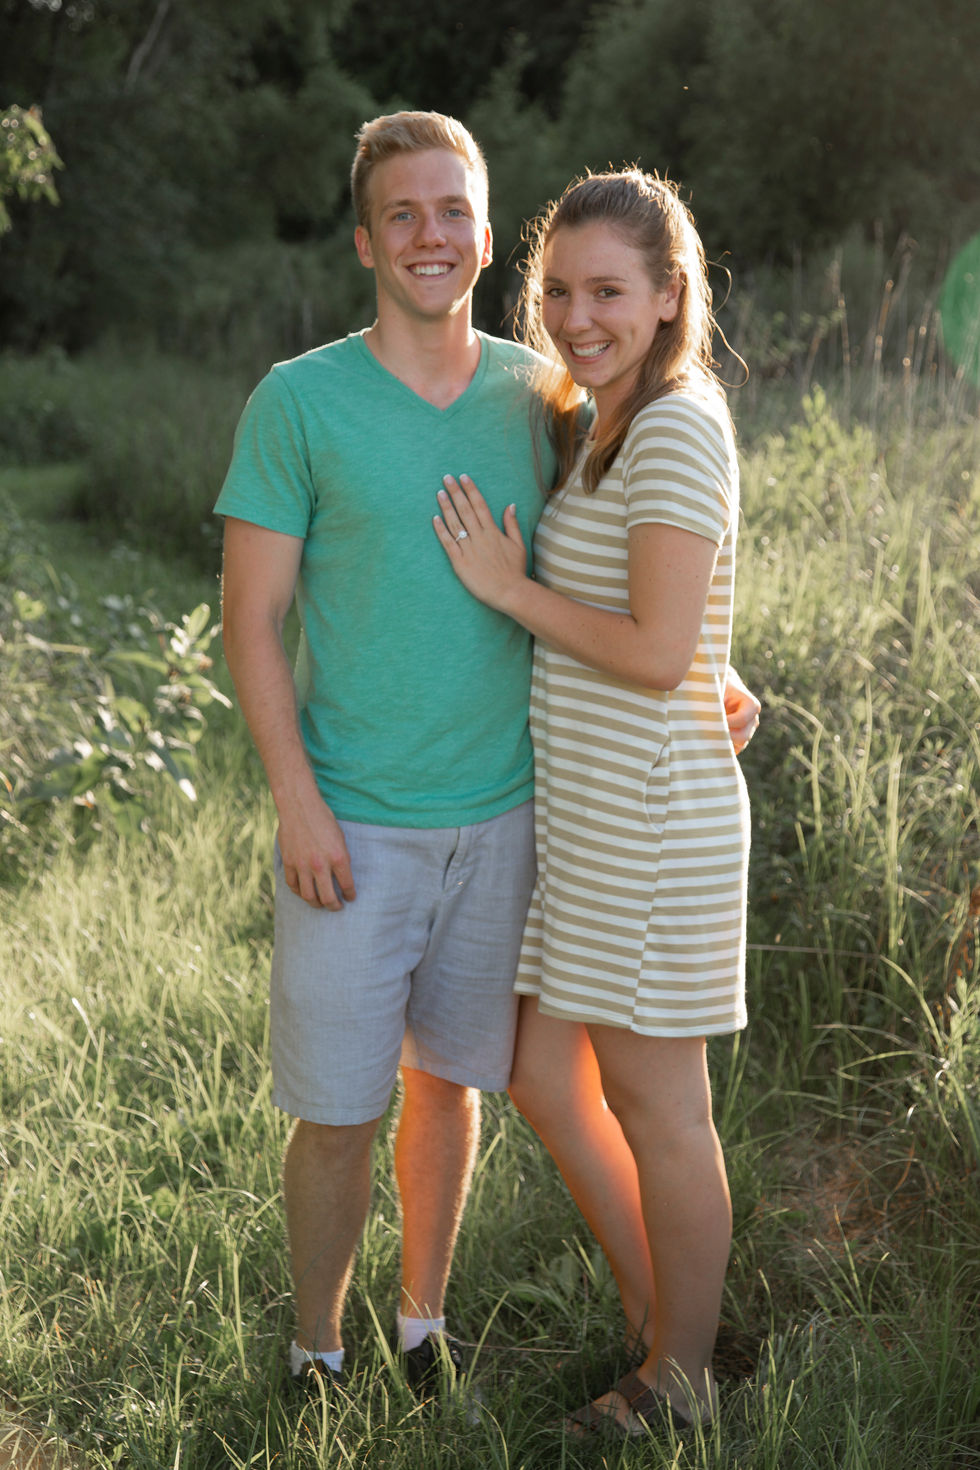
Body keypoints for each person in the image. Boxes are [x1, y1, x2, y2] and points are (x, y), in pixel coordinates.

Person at [216, 112, 759, 1397]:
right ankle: (322, 1349)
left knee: (487, 1088)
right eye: (400, 213)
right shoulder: (331, 402)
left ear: (481, 229)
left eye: (451, 209)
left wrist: (694, 659)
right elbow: (250, 619)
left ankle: (472, 1333)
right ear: (365, 240)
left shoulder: (554, 396)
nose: (429, 234)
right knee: (391, 1101)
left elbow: (634, 582)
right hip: (381, 818)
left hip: (531, 821)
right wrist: (295, 800)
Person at [433, 168, 750, 1435]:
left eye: (607, 292)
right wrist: (719, 668)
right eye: (557, 290)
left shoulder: (671, 424)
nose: (575, 318)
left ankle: (681, 1378)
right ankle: (661, 1313)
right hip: (596, 819)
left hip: (651, 826)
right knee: (537, 1069)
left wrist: (508, 590)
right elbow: (681, 626)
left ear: (668, 296)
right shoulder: (602, 423)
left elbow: (656, 650)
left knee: (658, 1108)